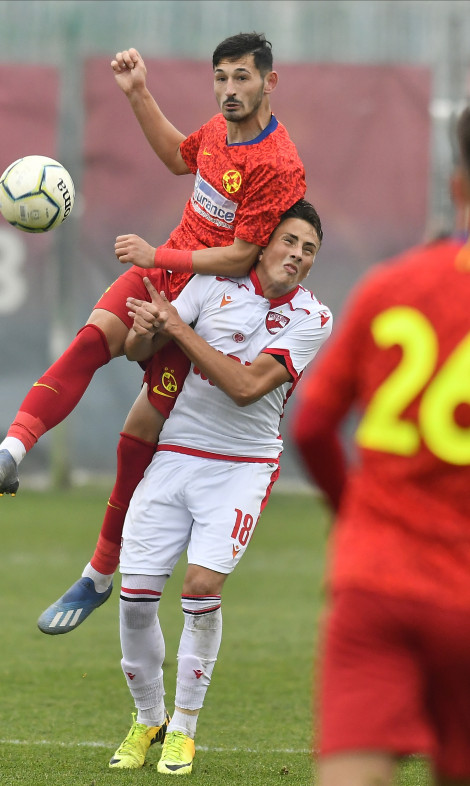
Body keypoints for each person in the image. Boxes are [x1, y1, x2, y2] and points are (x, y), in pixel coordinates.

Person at [0, 32, 306, 635]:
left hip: (206, 303)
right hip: (166, 266)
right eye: (222, 78)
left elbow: (240, 256)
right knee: (90, 340)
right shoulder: (224, 131)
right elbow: (183, 157)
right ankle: (11, 453)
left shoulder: (277, 163)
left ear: (269, 82)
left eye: (242, 79)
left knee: (140, 427)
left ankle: (100, 573)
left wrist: (161, 254)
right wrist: (138, 94)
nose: (230, 90)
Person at [108, 199, 332, 774]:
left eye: (308, 250)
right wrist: (146, 329)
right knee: (135, 599)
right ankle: (146, 718)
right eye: (289, 242)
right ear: (263, 243)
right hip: (176, 452)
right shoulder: (210, 286)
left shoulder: (313, 317)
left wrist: (176, 326)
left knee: (202, 585)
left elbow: (244, 387)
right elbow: (141, 350)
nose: (297, 256)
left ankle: (183, 727)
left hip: (243, 467)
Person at [291, 106, 470, 786]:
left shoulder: (391, 287)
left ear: (457, 187)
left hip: (378, 579)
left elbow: (310, 426)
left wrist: (358, 515)